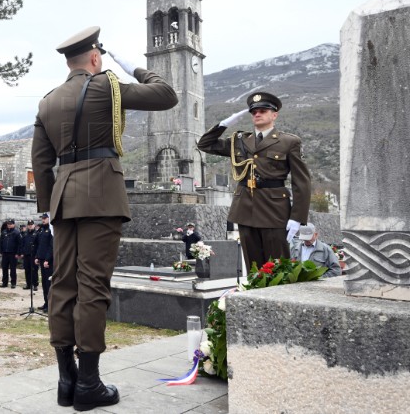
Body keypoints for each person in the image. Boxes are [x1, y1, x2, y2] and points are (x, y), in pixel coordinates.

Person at [31, 26, 178, 410]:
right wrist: (134, 67)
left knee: (62, 285)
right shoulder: (106, 87)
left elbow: (41, 162)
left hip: (63, 200)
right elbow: (166, 95)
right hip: (101, 196)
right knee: (92, 286)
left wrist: (49, 209)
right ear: (95, 58)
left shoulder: (47, 101)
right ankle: (89, 384)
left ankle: (66, 381)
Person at [197, 91, 311, 270]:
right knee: (254, 267)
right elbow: (204, 144)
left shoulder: (289, 142)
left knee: (277, 267)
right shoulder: (240, 140)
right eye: (254, 111)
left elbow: (301, 182)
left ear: (274, 115)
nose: (257, 114)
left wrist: (297, 217)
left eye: (263, 110)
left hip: (274, 211)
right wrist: (224, 124)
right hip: (245, 209)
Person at [35, 214, 53, 312]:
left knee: (48, 283)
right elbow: (39, 245)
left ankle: (50, 304)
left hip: (48, 261)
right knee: (44, 284)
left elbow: (51, 246)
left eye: (45, 218)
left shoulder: (51, 230)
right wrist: (37, 256)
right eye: (42, 218)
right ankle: (46, 303)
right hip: (41, 259)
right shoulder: (41, 230)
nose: (43, 220)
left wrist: (47, 259)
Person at [0, 219, 21, 288]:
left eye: (10, 224)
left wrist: (18, 253)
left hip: (13, 253)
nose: (9, 225)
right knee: (4, 268)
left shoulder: (17, 233)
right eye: (8, 224)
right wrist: (0, 251)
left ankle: (13, 283)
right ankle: (4, 282)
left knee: (13, 269)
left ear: (13, 224)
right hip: (5, 253)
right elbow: (1, 242)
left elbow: (19, 244)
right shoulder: (4, 232)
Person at [21, 220, 39, 291]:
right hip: (26, 255)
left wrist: (37, 255)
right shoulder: (25, 234)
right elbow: (22, 244)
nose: (30, 226)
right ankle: (28, 284)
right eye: (29, 225)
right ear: (27, 226)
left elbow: (38, 245)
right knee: (27, 270)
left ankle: (35, 284)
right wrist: (22, 252)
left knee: (34, 270)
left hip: (34, 255)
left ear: (34, 225)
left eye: (31, 225)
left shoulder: (37, 233)